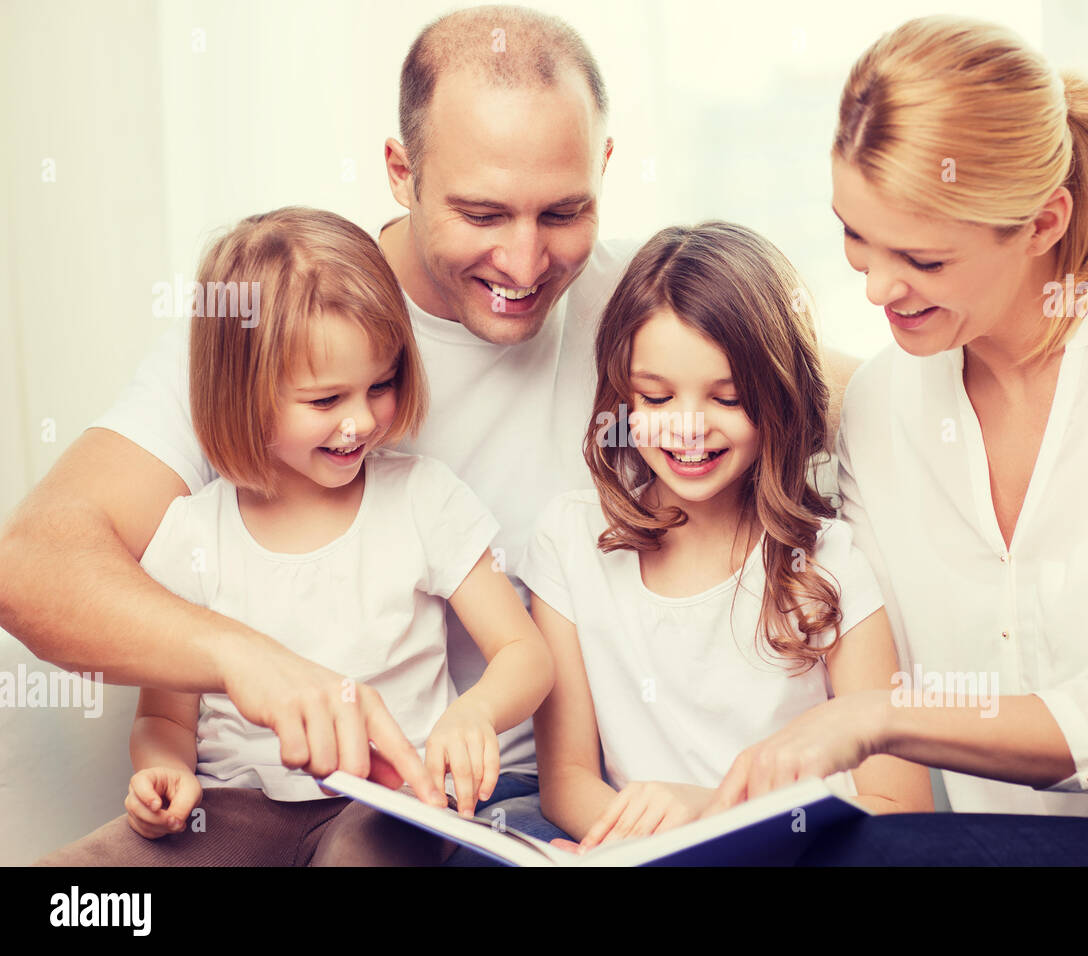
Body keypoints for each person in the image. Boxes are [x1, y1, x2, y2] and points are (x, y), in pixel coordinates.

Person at [1, 5, 863, 854]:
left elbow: (824, 386)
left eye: (563, 213)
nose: (526, 266)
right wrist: (245, 660)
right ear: (400, 172)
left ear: (603, 167)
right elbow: (34, 570)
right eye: (482, 215)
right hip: (259, 799)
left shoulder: (645, 308)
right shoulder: (284, 326)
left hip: (504, 806)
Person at [703, 15, 1088, 865]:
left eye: (923, 258)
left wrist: (875, 715)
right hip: (1005, 846)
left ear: (1044, 222)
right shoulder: (881, 404)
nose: (876, 286)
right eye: (853, 236)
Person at [35, 208, 553, 866]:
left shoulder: (424, 498)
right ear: (244, 394)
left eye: (381, 385)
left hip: (390, 805)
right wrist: (161, 773)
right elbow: (166, 718)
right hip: (231, 807)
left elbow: (524, 653)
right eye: (325, 400)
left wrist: (476, 712)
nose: (361, 420)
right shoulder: (194, 532)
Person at [519, 222, 933, 851]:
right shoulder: (569, 541)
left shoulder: (829, 564)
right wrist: (627, 847)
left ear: (777, 398)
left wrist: (710, 817)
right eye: (657, 398)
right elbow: (569, 780)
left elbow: (899, 804)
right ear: (624, 398)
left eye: (728, 397)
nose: (688, 428)